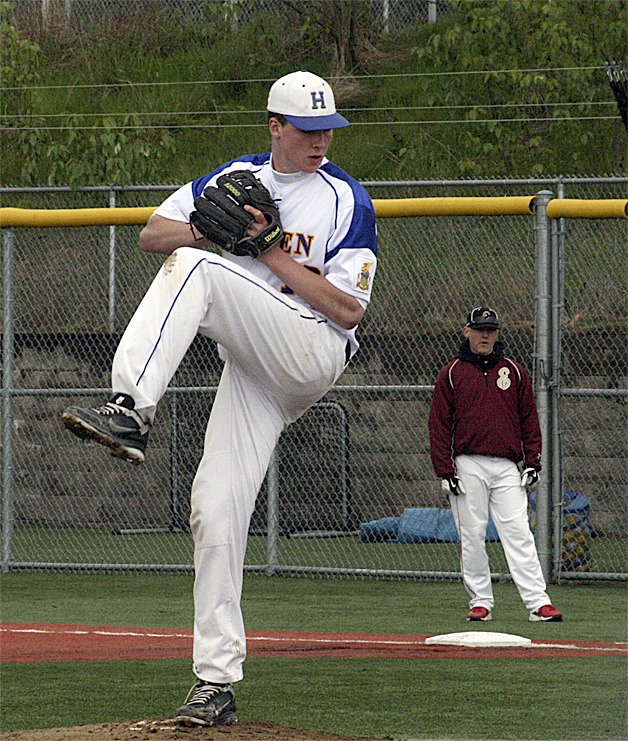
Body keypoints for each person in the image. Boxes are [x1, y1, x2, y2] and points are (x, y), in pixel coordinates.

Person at [61, 70, 378, 726]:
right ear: (274, 126)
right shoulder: (235, 175)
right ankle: (216, 683)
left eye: (328, 129)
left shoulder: (346, 198)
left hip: (311, 346)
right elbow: (153, 234)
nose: (321, 140)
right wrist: (211, 231)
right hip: (254, 370)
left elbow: (349, 309)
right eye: (307, 128)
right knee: (214, 507)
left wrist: (265, 250)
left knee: (199, 272)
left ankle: (129, 407)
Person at [428, 306, 563, 623]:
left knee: (518, 532)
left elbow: (530, 419)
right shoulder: (451, 373)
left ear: (497, 333)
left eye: (490, 330)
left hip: (506, 466)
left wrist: (533, 461)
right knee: (472, 535)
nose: (485, 335)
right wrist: (444, 470)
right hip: (467, 464)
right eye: (479, 329)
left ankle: (538, 603)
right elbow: (439, 425)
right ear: (467, 332)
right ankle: (481, 602)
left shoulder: (514, 371)